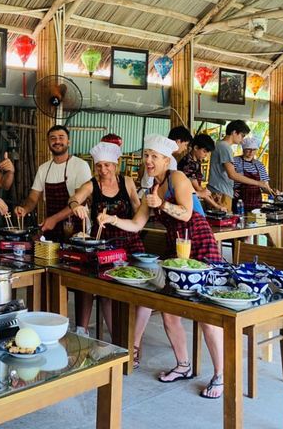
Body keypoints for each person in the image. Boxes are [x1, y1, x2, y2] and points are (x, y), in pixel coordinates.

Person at [96, 134, 225, 399]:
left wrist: (162, 204)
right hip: (175, 248)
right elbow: (135, 225)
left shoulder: (178, 178)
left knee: (207, 318)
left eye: (154, 156)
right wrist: (112, 219)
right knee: (169, 312)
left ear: (167, 160)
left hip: (199, 244)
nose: (149, 160)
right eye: (146, 155)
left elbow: (187, 213)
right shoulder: (149, 189)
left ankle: (220, 375)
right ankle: (183, 366)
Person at [68, 141, 150, 368]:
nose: (103, 170)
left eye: (107, 165)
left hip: (129, 241)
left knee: (142, 289)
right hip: (104, 244)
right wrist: (77, 205)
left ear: (116, 164)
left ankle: (133, 342)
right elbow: (74, 198)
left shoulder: (127, 182)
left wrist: (141, 220)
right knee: (107, 293)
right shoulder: (92, 185)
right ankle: (119, 343)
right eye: (99, 166)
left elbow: (136, 209)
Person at [14, 125, 91, 242]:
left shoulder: (80, 165)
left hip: (77, 231)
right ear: (48, 143)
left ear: (68, 142)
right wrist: (24, 209)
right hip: (51, 229)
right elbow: (33, 199)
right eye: (53, 138)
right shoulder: (43, 168)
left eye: (61, 138)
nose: (57, 141)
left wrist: (54, 219)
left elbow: (81, 200)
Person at [207, 120, 271, 212]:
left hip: (221, 191)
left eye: (254, 150)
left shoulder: (221, 146)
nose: (242, 139)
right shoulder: (224, 147)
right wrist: (257, 183)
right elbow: (232, 174)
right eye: (242, 135)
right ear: (234, 132)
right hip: (220, 193)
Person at [140, 126, 192, 194]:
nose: (185, 148)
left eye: (154, 156)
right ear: (178, 141)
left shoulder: (171, 162)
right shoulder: (171, 161)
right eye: (185, 145)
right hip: (153, 194)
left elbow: (140, 173)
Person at [177, 133, 222, 211]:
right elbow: (197, 188)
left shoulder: (197, 161)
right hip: (185, 199)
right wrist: (216, 206)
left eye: (208, 153)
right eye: (204, 152)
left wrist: (211, 195)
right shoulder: (187, 163)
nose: (206, 155)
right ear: (196, 148)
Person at [232, 137, 269, 213]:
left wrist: (272, 191)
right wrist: (230, 190)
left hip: (256, 202)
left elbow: (264, 185)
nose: (251, 152)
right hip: (239, 201)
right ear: (244, 149)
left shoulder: (259, 165)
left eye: (254, 150)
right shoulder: (235, 161)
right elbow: (225, 177)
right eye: (249, 149)